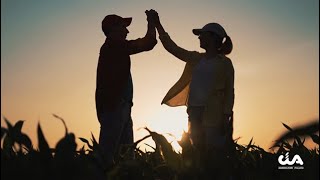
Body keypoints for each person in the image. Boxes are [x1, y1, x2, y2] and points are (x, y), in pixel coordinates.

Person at [149, 10, 235, 179]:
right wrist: (158, 25)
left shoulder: (225, 63)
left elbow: (230, 91)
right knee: (196, 151)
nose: (199, 38)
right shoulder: (196, 58)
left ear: (213, 38)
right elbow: (172, 48)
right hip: (194, 111)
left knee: (213, 153)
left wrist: (226, 115)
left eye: (202, 35)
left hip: (214, 113)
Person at [95, 11, 157, 169]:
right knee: (108, 157)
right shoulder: (114, 46)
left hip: (120, 106)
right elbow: (149, 43)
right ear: (113, 29)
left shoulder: (114, 47)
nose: (127, 31)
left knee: (126, 157)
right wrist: (152, 22)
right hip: (115, 107)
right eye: (123, 27)